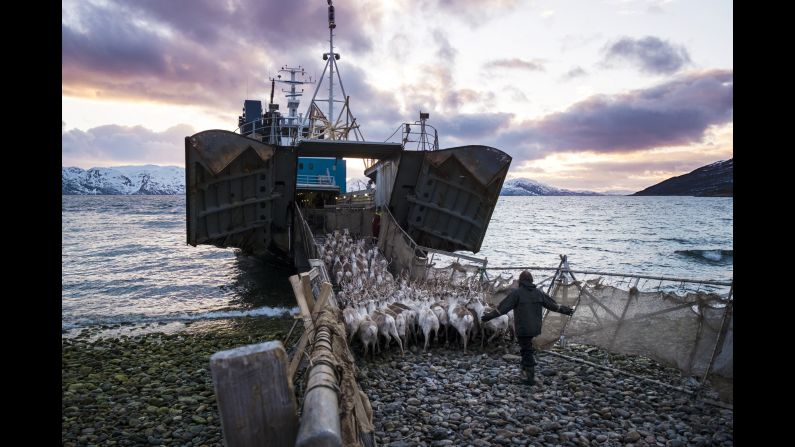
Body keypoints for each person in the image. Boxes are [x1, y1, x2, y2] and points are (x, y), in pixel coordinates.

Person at [481, 270, 574, 386]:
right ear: (531, 281)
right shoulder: (538, 293)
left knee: (526, 350)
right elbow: (553, 305)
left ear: (521, 281)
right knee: (526, 347)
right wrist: (565, 310)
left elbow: (502, 308)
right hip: (535, 327)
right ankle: (524, 371)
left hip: (523, 328)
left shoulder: (517, 293)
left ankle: (530, 378)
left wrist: (488, 317)